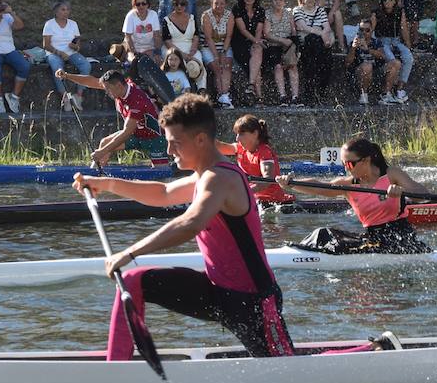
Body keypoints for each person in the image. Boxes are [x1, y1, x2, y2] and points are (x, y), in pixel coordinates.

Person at [74, 94, 294, 362]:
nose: (169, 152)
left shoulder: (221, 177)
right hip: (218, 290)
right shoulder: (204, 176)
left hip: (253, 302)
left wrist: (129, 252)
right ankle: (117, 364)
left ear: (200, 139)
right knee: (134, 282)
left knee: (284, 367)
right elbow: (164, 193)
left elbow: (191, 223)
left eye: (174, 143)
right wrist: (105, 184)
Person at [280, 137, 433, 254]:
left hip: (401, 238)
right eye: (343, 163)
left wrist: (402, 192)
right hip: (373, 238)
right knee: (322, 233)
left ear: (366, 160)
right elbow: (319, 187)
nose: (346, 168)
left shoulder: (391, 175)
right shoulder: (348, 185)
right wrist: (291, 183)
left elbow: (424, 196)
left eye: (350, 164)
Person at [59, 68, 168, 167]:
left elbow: (126, 132)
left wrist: (102, 152)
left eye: (108, 90)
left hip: (155, 138)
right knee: (104, 143)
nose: (106, 92)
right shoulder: (118, 86)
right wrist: (67, 76)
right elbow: (92, 81)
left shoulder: (136, 101)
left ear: (119, 86)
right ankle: (92, 176)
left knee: (162, 175)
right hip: (136, 135)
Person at [216, 114, 293, 204]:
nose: (237, 138)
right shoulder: (240, 148)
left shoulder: (264, 151)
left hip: (272, 202)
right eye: (237, 134)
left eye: (241, 134)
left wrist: (243, 192)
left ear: (255, 134)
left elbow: (267, 179)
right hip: (252, 199)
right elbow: (219, 146)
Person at [44, 0, 90, 111]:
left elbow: (77, 44)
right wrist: (59, 53)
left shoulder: (73, 24)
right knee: (58, 69)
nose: (66, 12)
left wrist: (75, 47)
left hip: (71, 52)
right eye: (63, 9)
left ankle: (78, 96)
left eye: (68, 10)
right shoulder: (49, 24)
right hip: (54, 52)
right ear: (56, 11)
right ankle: (65, 99)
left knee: (86, 66)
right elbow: (46, 45)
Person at [293, 0, 335, 104]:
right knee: (313, 42)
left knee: (327, 63)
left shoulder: (320, 10)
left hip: (319, 44)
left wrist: (323, 35)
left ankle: (320, 93)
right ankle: (311, 94)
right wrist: (321, 33)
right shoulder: (298, 10)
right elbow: (303, 27)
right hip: (306, 45)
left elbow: (327, 27)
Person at [371, 0, 411, 104]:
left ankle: (399, 89)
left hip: (396, 41)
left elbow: (403, 27)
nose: (387, 2)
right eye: (384, 0)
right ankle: (386, 92)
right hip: (382, 41)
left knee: (409, 58)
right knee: (392, 61)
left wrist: (408, 45)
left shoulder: (399, 11)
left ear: (395, 1)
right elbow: (371, 29)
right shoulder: (376, 12)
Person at [163, 0, 207, 92]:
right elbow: (167, 41)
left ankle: (202, 90)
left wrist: (193, 50)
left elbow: (196, 36)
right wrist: (182, 55)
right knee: (180, 62)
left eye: (182, 4)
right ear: (172, 4)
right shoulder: (166, 20)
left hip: (190, 46)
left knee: (198, 60)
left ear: (186, 5)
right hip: (173, 48)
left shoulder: (192, 18)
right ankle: (183, 91)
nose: (179, 6)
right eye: (176, 4)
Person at [263, 0, 300, 105]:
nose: (278, 2)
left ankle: (295, 96)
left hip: (288, 44)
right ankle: (282, 95)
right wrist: (282, 40)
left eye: (281, 0)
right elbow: (267, 34)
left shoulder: (289, 14)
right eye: (275, 0)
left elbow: (293, 31)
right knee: (278, 66)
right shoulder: (267, 14)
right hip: (273, 45)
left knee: (292, 66)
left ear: (284, 2)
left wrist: (295, 45)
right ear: (271, 1)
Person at [346, 20, 396, 105]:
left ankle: (385, 94)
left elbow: (382, 56)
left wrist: (368, 49)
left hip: (375, 73)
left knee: (395, 63)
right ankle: (364, 95)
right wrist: (353, 48)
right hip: (359, 75)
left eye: (367, 30)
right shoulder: (353, 43)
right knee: (367, 66)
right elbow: (347, 63)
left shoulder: (376, 42)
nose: (364, 32)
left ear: (372, 30)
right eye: (361, 30)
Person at [231, 0, 266, 103]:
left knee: (257, 52)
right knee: (255, 64)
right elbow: (243, 30)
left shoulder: (260, 10)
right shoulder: (237, 9)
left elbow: (259, 30)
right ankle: (259, 97)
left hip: (254, 40)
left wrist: (256, 43)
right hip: (239, 42)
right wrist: (256, 41)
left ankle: (251, 86)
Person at [200, 0, 234, 107]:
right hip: (209, 47)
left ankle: (225, 95)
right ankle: (222, 95)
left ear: (225, 4)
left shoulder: (229, 15)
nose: (219, 6)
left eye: (222, 3)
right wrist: (216, 56)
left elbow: (229, 36)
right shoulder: (206, 15)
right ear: (212, 3)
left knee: (227, 66)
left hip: (224, 46)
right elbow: (208, 38)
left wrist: (223, 53)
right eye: (216, 3)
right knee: (217, 67)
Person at [122, 0, 163, 69]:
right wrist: (134, 53)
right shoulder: (130, 16)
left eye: (143, 3)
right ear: (134, 6)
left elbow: (156, 35)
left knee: (155, 62)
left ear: (147, 4)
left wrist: (157, 52)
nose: (141, 6)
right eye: (138, 4)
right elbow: (128, 37)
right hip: (134, 48)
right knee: (135, 62)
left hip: (149, 47)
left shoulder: (153, 15)